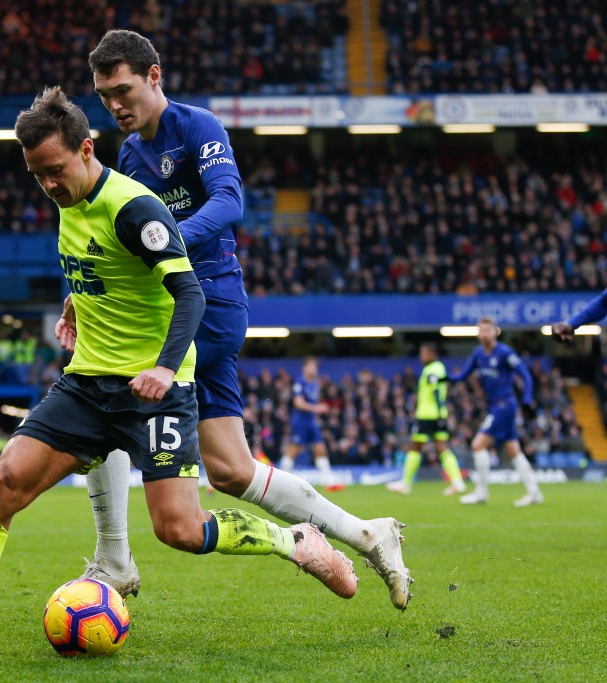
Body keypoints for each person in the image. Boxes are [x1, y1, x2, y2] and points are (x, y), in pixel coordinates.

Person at [0, 87, 358, 655]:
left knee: (179, 530)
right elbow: (101, 266)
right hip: (86, 385)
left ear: (87, 149)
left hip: (154, 392)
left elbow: (189, 294)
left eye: (54, 170)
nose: (48, 184)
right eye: (36, 175)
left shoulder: (135, 208)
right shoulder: (67, 203)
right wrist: (76, 301)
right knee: (2, 484)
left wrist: (165, 369)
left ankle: (294, 540)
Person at [57, 29, 411, 612]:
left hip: (210, 304)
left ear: (153, 76)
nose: (115, 104)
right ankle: (366, 533)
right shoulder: (126, 156)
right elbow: (112, 238)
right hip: (166, 309)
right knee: (230, 469)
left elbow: (229, 203)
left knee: (110, 388)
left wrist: (164, 244)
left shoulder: (198, 128)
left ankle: (114, 561)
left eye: (123, 90)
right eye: (103, 96)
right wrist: (86, 290)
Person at [447, 317, 543, 506]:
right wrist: (444, 377)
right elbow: (462, 376)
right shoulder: (478, 354)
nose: (483, 334)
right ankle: (534, 492)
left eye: (487, 330)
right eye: (481, 330)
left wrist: (527, 399)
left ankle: (482, 493)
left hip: (505, 406)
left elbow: (525, 375)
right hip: (494, 406)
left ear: (495, 332)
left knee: (477, 445)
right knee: (513, 450)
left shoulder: (505, 352)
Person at [386, 343, 466, 495]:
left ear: (432, 354)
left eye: (424, 353)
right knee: (442, 447)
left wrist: (439, 409)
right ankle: (457, 482)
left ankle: (406, 483)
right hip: (438, 414)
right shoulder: (438, 367)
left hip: (428, 415)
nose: (421, 357)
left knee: (416, 446)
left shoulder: (433, 368)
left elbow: (435, 388)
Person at [278, 357, 344, 492]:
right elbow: (298, 403)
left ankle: (329, 482)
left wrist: (315, 414)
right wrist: (317, 408)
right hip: (300, 422)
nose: (313, 370)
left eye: (315, 367)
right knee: (293, 450)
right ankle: (280, 482)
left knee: (320, 448)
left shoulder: (315, 384)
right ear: (304, 368)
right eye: (310, 367)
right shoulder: (299, 382)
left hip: (311, 422)